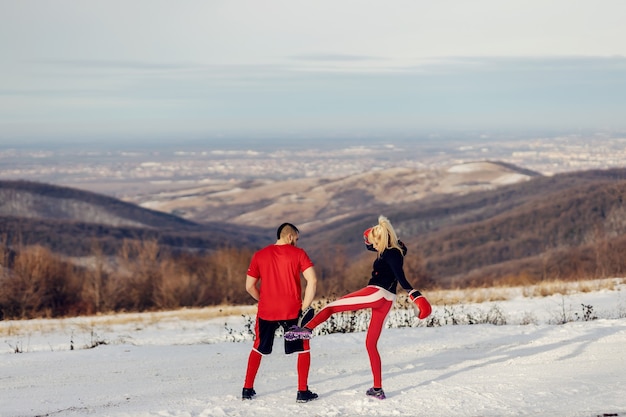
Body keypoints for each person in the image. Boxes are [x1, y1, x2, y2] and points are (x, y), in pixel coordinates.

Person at [285, 215, 432, 400]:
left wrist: (415, 295)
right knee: (371, 344)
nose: (370, 246)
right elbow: (392, 248)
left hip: (376, 292)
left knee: (331, 307)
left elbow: (400, 276)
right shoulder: (394, 250)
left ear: (380, 240)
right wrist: (378, 235)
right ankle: (377, 388)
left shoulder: (390, 252)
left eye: (372, 242)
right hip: (387, 299)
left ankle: (305, 330)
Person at [241, 222, 319, 403]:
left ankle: (247, 389)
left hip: (267, 310)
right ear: (290, 237)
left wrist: (263, 299)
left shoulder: (259, 255)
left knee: (258, 347)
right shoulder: (299, 254)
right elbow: (312, 281)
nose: (297, 243)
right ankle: (302, 392)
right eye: (296, 239)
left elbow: (249, 286)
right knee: (303, 349)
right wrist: (304, 306)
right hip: (292, 310)